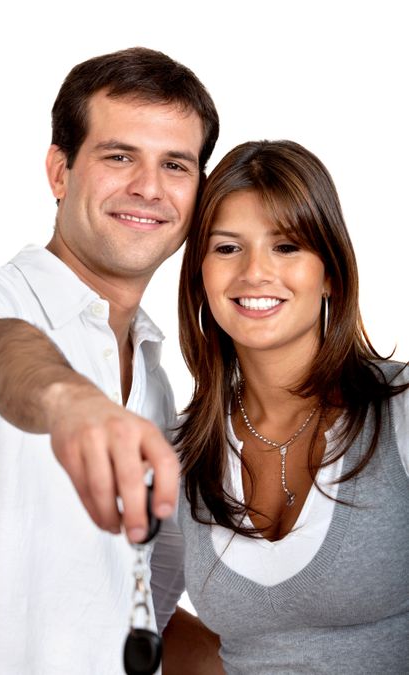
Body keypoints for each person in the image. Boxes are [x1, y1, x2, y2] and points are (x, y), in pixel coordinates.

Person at [0, 47, 219, 674]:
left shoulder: (158, 383)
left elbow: (135, 614)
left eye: (175, 164)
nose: (149, 188)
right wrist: (66, 401)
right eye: (119, 155)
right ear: (59, 171)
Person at [174, 140, 409, 674]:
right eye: (228, 248)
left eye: (286, 246)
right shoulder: (180, 448)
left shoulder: (399, 410)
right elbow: (138, 612)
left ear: (330, 272)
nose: (255, 273)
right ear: (200, 275)